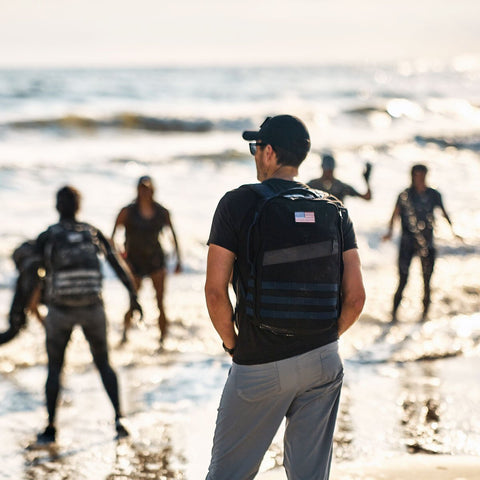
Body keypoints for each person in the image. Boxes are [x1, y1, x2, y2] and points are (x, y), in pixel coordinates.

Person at [205, 115, 366, 479]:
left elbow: (215, 292)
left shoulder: (236, 203)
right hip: (323, 360)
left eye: (255, 148)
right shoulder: (334, 208)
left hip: (259, 362)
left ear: (269, 152)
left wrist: (235, 345)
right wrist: (323, 339)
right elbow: (355, 299)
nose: (254, 155)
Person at [34, 186, 142, 444]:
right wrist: (133, 296)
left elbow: (31, 270)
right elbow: (116, 263)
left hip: (59, 311)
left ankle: (50, 427)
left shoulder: (49, 235)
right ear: (78, 206)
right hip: (93, 309)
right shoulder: (91, 232)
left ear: (57, 207)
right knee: (104, 364)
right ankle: (119, 419)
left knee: (55, 368)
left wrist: (27, 307)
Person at [382, 164, 461, 321]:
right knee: (403, 279)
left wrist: (453, 232)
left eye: (422, 175)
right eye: (416, 175)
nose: (419, 179)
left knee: (427, 281)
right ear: (412, 176)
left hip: (427, 243)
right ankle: (393, 316)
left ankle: (424, 317)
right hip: (407, 243)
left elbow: (444, 213)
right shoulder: (404, 195)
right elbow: (394, 215)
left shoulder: (434, 195)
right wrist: (390, 232)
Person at [112, 175, 182, 345]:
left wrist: (178, 259)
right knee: (132, 300)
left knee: (160, 302)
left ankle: (163, 340)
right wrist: (121, 258)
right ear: (137, 190)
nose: (144, 192)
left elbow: (173, 235)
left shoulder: (161, 212)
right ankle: (124, 336)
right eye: (142, 189)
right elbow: (112, 238)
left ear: (153, 190)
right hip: (134, 262)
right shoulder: (127, 212)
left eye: (147, 189)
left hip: (156, 260)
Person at [308, 152, 372, 203]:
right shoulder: (313, 186)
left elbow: (367, 197)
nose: (328, 174)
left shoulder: (341, 187)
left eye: (330, 171)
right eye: (327, 171)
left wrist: (366, 180)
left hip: (338, 218)